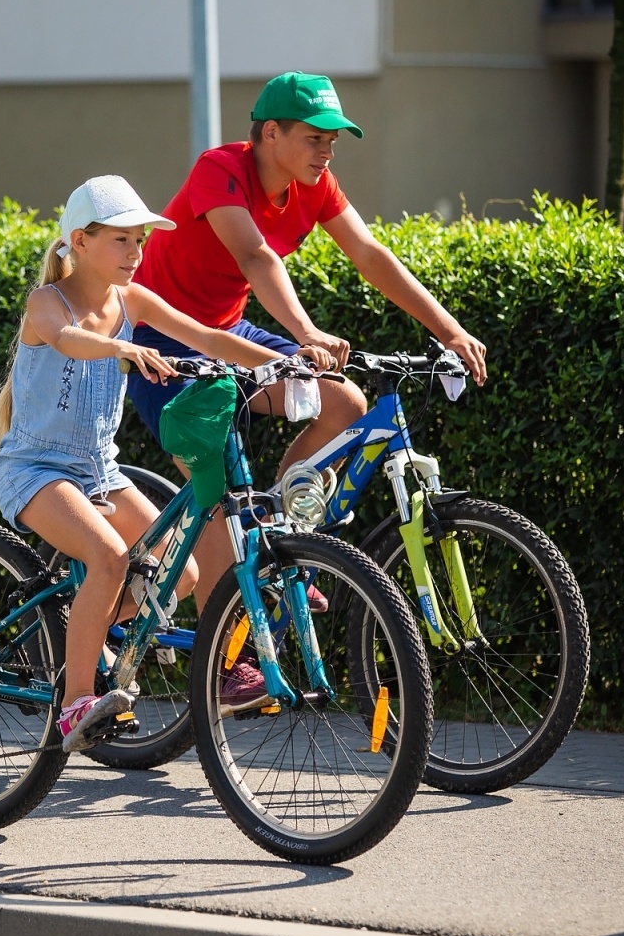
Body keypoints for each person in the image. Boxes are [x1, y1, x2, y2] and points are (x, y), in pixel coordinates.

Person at [0, 175, 332, 752]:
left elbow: (207, 336)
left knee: (186, 573)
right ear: (80, 241)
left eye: (140, 241)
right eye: (122, 240)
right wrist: (123, 347)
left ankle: (79, 629)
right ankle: (75, 705)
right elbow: (68, 340)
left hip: (99, 470)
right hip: (36, 469)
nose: (136, 252)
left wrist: (292, 359)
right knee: (111, 557)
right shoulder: (47, 303)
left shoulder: (134, 300)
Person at [127, 70, 489, 614]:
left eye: (332, 141)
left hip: (227, 333)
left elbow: (370, 256)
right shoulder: (219, 170)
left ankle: (279, 538)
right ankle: (225, 666)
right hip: (165, 339)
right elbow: (255, 256)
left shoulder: (315, 187)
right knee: (220, 498)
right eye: (315, 138)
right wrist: (306, 334)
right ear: (270, 133)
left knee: (344, 401)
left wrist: (450, 330)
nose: (327, 152)